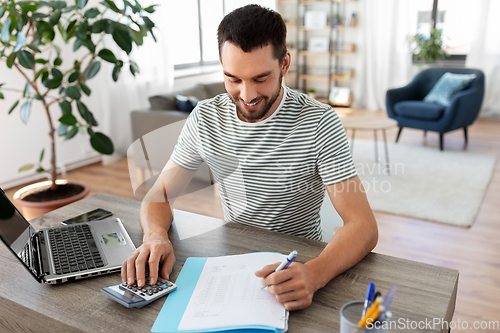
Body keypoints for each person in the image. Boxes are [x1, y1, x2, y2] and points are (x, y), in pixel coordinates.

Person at [122, 4, 378, 311]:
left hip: (299, 261)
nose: (246, 95)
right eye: (233, 79)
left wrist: (316, 273)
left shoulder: (319, 122)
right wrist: (154, 236)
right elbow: (160, 193)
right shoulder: (205, 118)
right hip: (234, 260)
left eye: (260, 78)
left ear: (284, 63)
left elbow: (363, 225)